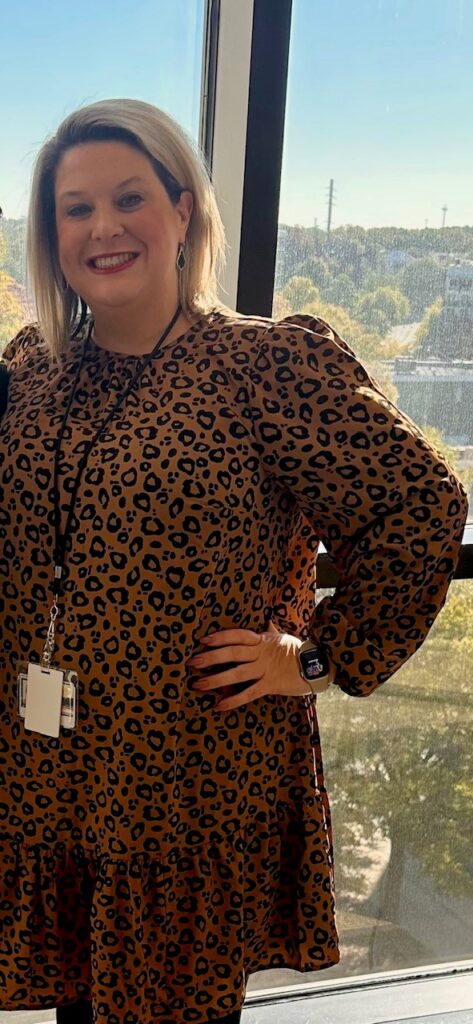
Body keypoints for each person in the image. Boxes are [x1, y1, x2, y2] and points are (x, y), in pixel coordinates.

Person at [0, 97, 468, 1024]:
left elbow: (423, 505)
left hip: (187, 781)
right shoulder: (32, 368)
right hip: (45, 771)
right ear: (49, 234)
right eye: (75, 207)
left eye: (129, 197)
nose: (102, 227)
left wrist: (320, 657)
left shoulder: (268, 367)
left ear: (183, 211)